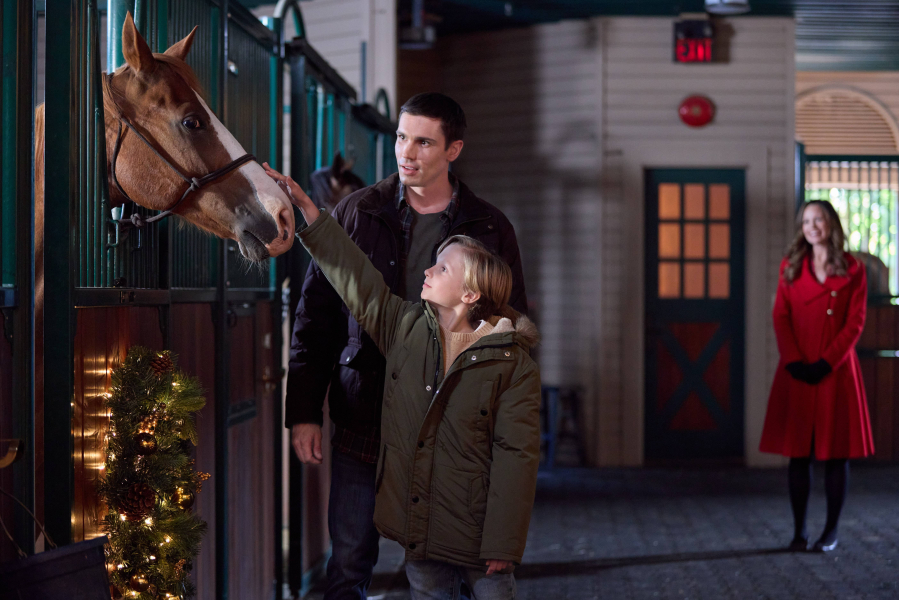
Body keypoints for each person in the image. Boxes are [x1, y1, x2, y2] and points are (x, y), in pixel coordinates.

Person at [283, 92, 528, 599]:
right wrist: (303, 410)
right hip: (364, 417)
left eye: (423, 142)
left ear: (453, 150)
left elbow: (509, 332)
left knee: (447, 569)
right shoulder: (357, 211)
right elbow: (318, 315)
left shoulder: (489, 227)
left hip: (448, 433)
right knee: (348, 563)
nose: (406, 153)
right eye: (400, 137)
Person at [759, 200, 875, 553]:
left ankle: (830, 532)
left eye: (818, 219)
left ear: (831, 224)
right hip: (797, 368)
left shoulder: (854, 269)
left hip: (835, 371)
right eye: (806, 221)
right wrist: (794, 360)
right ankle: (799, 533)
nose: (812, 226)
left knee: (836, 454)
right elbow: (780, 316)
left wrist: (827, 363)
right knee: (799, 454)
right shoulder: (790, 267)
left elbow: (855, 322)